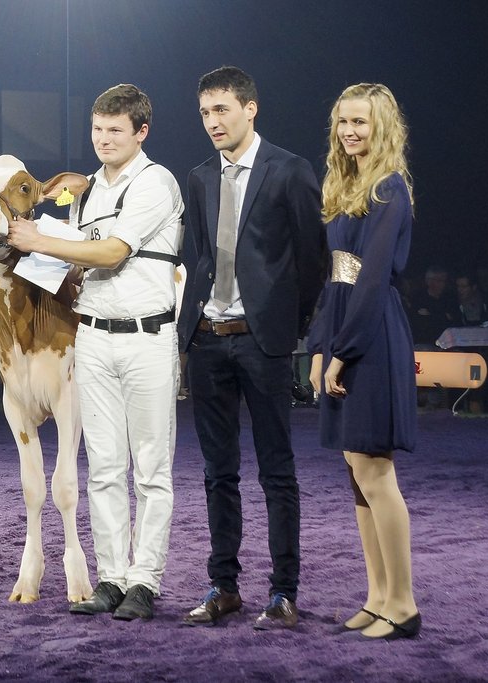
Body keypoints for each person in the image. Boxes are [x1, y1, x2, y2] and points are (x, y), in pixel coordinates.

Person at [6, 84, 182, 621]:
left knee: (150, 466)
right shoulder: (87, 192)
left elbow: (111, 251)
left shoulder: (157, 182)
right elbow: (78, 264)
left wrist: (38, 241)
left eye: (115, 131)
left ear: (141, 132)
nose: (104, 140)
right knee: (104, 464)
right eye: (97, 130)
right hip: (95, 336)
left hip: (149, 337)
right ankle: (111, 577)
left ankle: (145, 580)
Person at [175, 66, 327, 629]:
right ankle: (224, 586)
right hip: (209, 341)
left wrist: (291, 327)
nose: (213, 122)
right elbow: (201, 258)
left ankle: (284, 592)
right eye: (205, 113)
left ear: (250, 108)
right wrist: (192, 329)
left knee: (277, 472)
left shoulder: (290, 171)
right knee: (218, 473)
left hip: (264, 344)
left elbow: (313, 260)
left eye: (222, 110)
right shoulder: (199, 177)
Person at [308, 83, 421, 640]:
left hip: (372, 336)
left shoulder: (389, 187)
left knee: (375, 472)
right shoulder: (345, 182)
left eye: (361, 122)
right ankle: (377, 597)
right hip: (345, 329)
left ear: (382, 126)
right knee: (357, 473)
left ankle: (403, 603)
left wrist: (343, 352)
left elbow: (372, 281)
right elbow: (337, 276)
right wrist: (318, 349)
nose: (350, 131)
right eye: (343, 122)